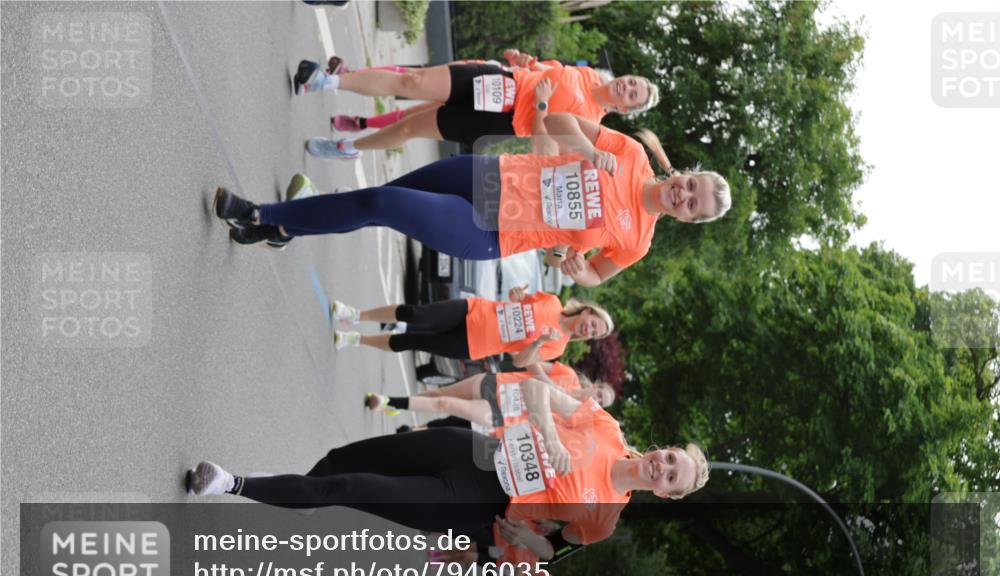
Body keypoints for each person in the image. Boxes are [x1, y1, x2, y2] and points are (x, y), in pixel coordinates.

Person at [186, 378, 710, 561]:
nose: (661, 467)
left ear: (665, 494)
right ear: (661, 449)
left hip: (472, 501)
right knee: (342, 461)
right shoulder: (606, 428)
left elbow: (553, 550)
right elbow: (534, 390)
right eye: (670, 458)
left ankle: (230, 482)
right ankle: (298, 493)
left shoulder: (604, 520)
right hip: (470, 451)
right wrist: (550, 434)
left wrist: (526, 540)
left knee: (347, 486)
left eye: (671, 477)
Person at [211, 113, 730, 285]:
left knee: (381, 206)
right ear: (686, 174)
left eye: (693, 205)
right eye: (692, 185)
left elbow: (593, 274)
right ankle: (283, 229)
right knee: (378, 197)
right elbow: (555, 121)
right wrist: (590, 150)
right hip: (486, 175)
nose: (684, 195)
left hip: (490, 231)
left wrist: (575, 269)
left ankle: (260, 213)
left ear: (688, 220)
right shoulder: (631, 153)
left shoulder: (637, 242)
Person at [294, 47, 658, 159]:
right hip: (498, 81)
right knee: (412, 81)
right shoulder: (587, 73)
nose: (627, 86)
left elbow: (543, 147)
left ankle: (348, 148)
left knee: (409, 128)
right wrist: (521, 60)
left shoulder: (592, 123)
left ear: (625, 109)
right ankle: (327, 81)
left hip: (499, 121)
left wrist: (542, 106)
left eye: (632, 94)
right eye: (632, 81)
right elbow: (538, 70)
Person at [328, 288, 613, 367]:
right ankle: (355, 314)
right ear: (587, 311)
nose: (589, 330)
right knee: (415, 314)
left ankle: (357, 339)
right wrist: (516, 294)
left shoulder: (557, 346)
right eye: (593, 324)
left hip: (472, 344)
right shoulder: (551, 301)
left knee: (411, 342)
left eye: (594, 334)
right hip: (475, 310)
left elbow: (519, 361)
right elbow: (517, 297)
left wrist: (538, 342)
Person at [364, 365, 614, 426]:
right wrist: (549, 384)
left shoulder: (570, 417)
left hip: (502, 413)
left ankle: (387, 401)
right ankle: (398, 404)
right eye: (601, 395)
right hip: (498, 385)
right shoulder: (567, 374)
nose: (598, 400)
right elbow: (532, 363)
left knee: (444, 403)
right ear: (596, 386)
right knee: (440, 393)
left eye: (602, 404)